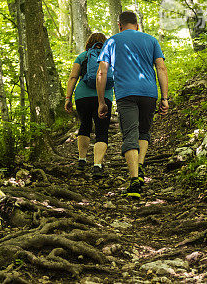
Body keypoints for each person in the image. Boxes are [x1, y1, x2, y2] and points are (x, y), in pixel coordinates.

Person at [95, 11, 169, 199]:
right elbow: (161, 68)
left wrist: (102, 101)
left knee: (130, 134)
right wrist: (165, 97)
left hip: (126, 94)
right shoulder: (151, 40)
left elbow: (101, 73)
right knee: (144, 131)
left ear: (119, 25)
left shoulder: (111, 41)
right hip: (149, 93)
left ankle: (135, 180)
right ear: (137, 25)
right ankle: (141, 164)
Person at [64, 32, 114, 178]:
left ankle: (82, 160)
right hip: (104, 96)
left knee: (84, 125)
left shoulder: (83, 56)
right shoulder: (109, 56)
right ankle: (97, 165)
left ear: (88, 43)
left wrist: (68, 98)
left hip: (82, 96)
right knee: (102, 129)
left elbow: (73, 77)